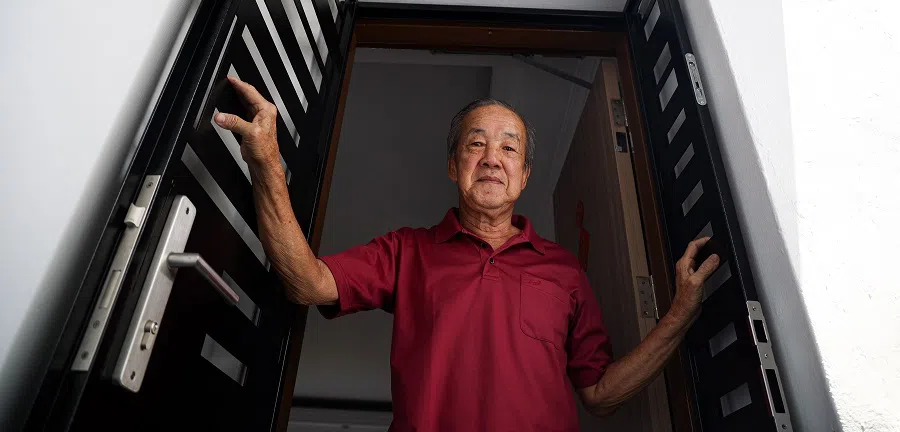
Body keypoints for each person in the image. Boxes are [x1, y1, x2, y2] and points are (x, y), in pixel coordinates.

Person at [214, 76, 721, 431]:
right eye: (476, 145)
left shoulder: (563, 271)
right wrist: (267, 164)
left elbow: (600, 395)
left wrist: (679, 314)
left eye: (509, 148)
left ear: (524, 177)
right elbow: (308, 283)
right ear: (454, 167)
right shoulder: (408, 251)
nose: (492, 159)